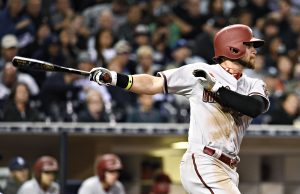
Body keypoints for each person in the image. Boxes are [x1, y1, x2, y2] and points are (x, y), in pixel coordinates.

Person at [89, 24, 270, 194]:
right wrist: (113, 78)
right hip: (204, 160)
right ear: (233, 48)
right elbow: (154, 83)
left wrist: (216, 89)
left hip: (229, 168)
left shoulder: (254, 84)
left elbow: (254, 107)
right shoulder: (201, 72)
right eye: (249, 45)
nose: (254, 51)